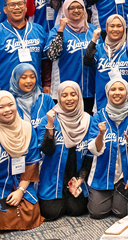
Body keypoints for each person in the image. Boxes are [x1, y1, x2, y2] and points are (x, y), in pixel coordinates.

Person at [0, 90, 43, 230]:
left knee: (30, 210)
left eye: (10, 105)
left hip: (21, 182)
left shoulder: (27, 129)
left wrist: (20, 190)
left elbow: (31, 165)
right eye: (1, 107)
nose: (7, 110)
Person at [0, 0, 48, 93]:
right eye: (12, 5)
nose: (17, 7)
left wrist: (47, 84)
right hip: (6, 91)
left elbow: (45, 60)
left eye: (20, 4)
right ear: (5, 10)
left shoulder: (38, 29)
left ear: (26, 7)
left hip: (34, 90)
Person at [37, 81, 90, 221]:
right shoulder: (48, 119)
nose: (69, 99)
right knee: (51, 212)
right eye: (64, 95)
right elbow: (47, 151)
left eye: (73, 94)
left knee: (77, 210)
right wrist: (50, 125)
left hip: (75, 180)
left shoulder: (87, 120)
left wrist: (80, 179)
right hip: (53, 180)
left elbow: (90, 155)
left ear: (79, 96)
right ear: (59, 98)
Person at [85, 78, 128, 219]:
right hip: (102, 174)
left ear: (127, 93)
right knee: (97, 212)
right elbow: (94, 150)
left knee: (121, 212)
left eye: (121, 89)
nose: (117, 92)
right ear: (107, 93)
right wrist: (100, 135)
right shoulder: (99, 116)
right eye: (113, 89)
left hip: (125, 175)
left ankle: (116, 194)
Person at [44, 0, 95, 110]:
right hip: (65, 91)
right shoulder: (57, 30)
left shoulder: (92, 30)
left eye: (79, 7)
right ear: (65, 10)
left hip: (89, 90)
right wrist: (61, 31)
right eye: (71, 8)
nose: (76, 10)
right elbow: (52, 55)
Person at [84, 14, 128, 109]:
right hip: (102, 101)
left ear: (123, 28)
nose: (115, 29)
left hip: (127, 102)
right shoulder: (99, 48)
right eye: (112, 26)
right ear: (106, 28)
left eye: (119, 26)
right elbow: (87, 61)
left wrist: (123, 87)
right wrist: (94, 39)